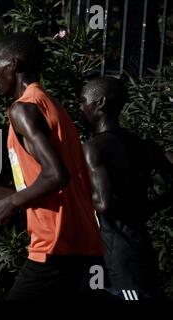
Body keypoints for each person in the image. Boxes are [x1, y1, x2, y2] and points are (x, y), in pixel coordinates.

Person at [0, 32, 104, 300]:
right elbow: (46, 188)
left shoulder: (23, 109)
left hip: (54, 245)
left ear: (13, 65)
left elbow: (57, 176)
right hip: (84, 244)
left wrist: (11, 204)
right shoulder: (52, 106)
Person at [80, 76, 173, 300]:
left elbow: (103, 203)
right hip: (139, 246)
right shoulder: (144, 146)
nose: (81, 109)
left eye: (83, 102)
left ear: (99, 103)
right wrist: (147, 208)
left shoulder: (93, 147)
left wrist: (70, 198)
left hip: (114, 252)